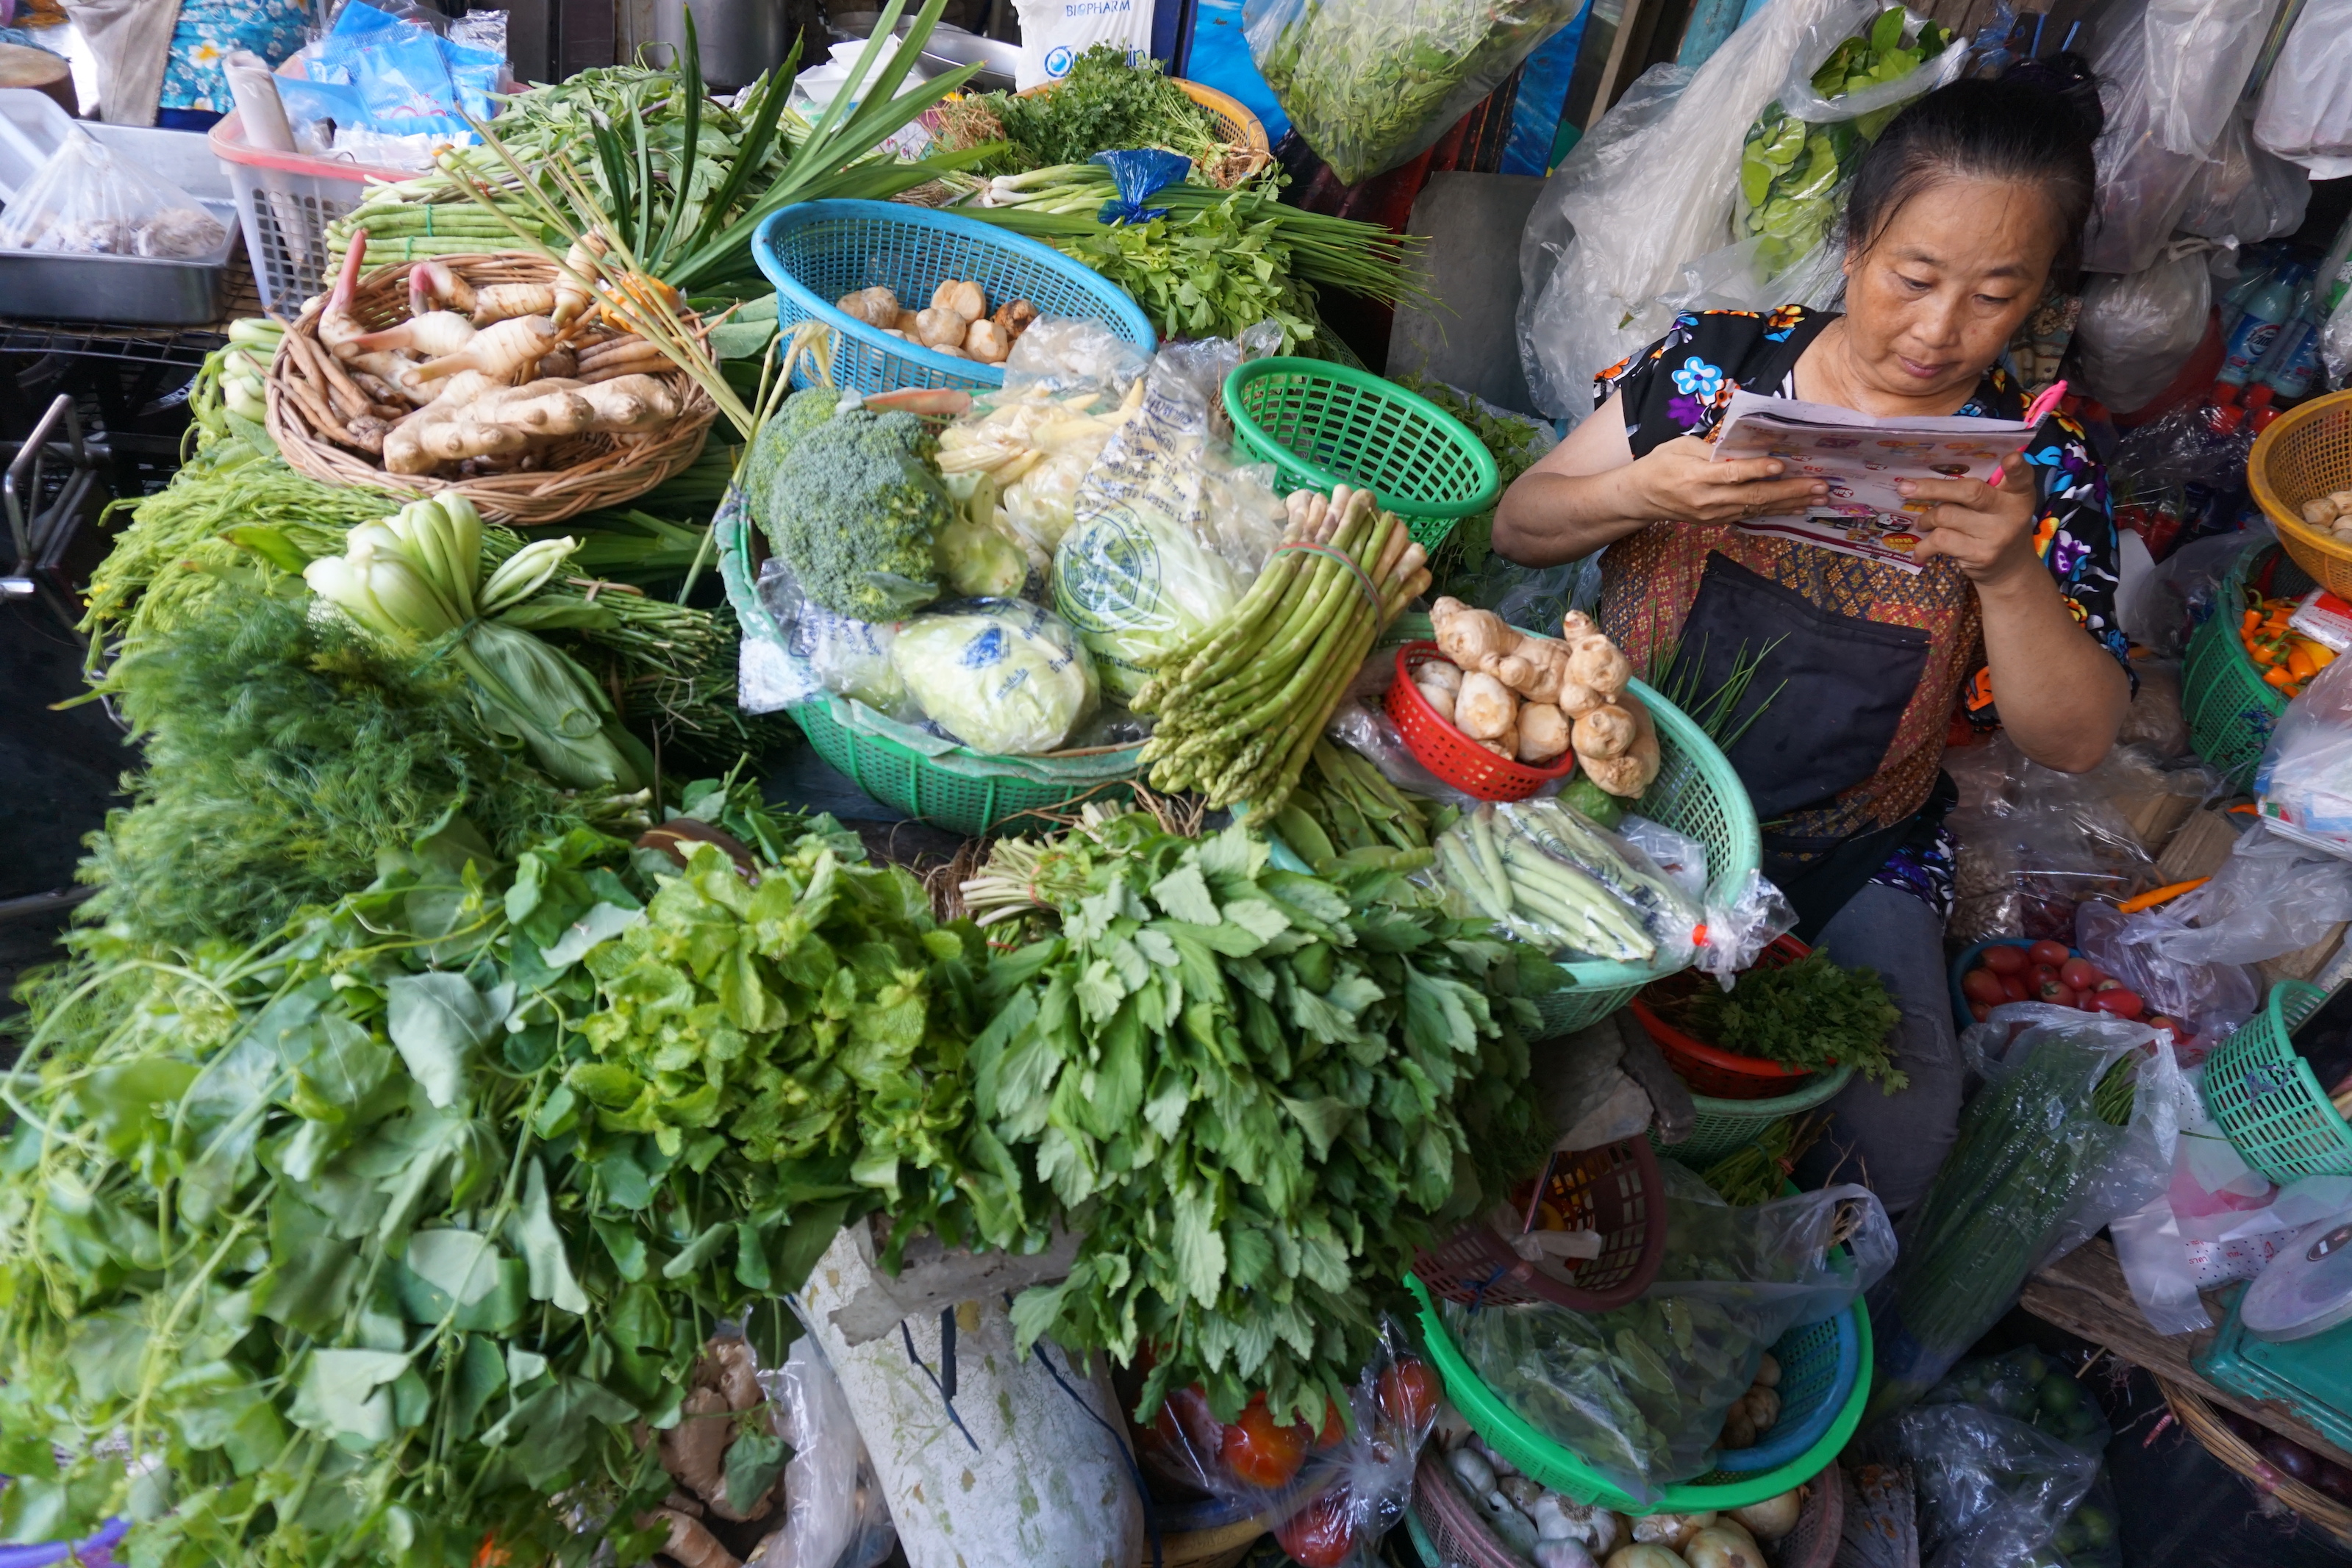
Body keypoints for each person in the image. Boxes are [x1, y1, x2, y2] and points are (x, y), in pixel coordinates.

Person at [1492, 72, 2131, 1216]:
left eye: (1996, 295)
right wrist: (1641, 491)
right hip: (1619, 772)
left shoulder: (2039, 465)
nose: (1939, 330)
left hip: (1852, 846)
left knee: (1899, 1134)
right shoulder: (1718, 366)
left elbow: (2076, 739)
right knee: (1530, 1012)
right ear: (1853, 244)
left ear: (2040, 298)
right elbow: (1520, 525)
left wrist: (2008, 571)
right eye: (1914, 277)